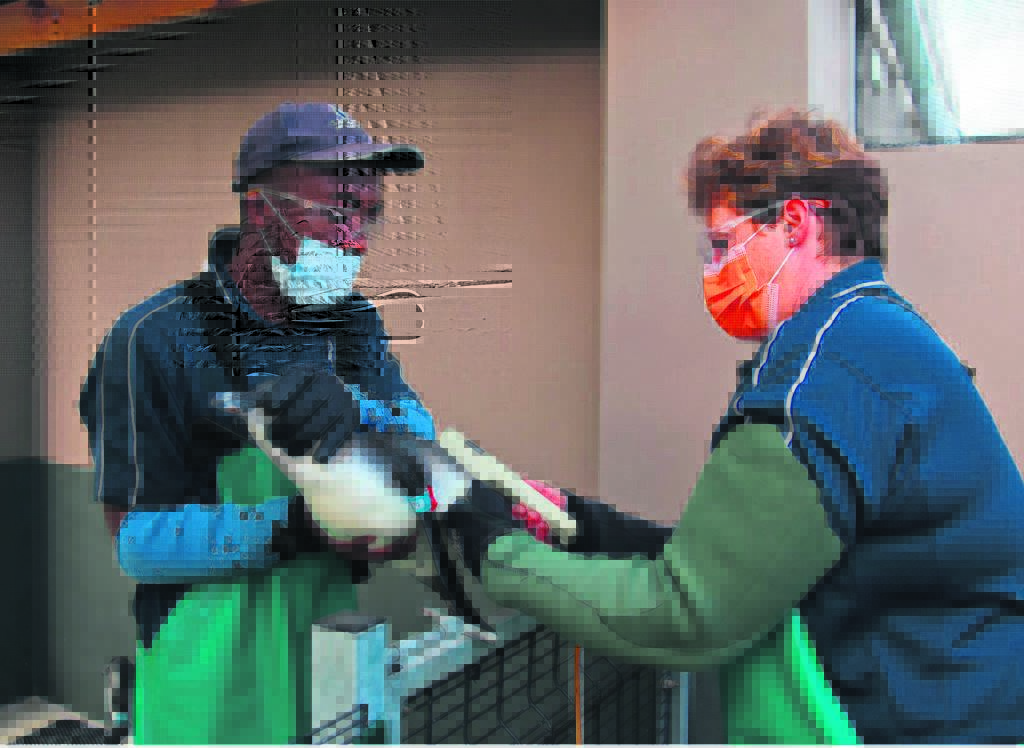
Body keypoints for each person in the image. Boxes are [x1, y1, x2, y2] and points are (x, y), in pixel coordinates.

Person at [438, 109, 1024, 743]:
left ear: (796, 224)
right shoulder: (876, 333)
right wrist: (584, 525)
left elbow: (693, 613)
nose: (713, 269)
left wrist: (493, 549)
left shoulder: (828, 368)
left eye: (723, 244)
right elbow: (756, 561)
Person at [78, 102, 438, 745]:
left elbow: (419, 441)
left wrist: (359, 408)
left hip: (326, 657)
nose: (354, 239)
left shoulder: (351, 325)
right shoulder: (153, 339)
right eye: (336, 212)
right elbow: (136, 542)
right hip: (208, 679)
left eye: (368, 215)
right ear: (259, 209)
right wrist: (300, 526)